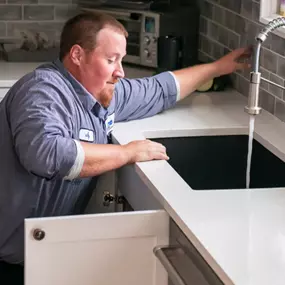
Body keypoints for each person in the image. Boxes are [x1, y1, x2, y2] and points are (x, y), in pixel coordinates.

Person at [0, 12, 251, 284]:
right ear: (77, 55)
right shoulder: (43, 91)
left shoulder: (99, 92)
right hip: (7, 256)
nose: (120, 71)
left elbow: (157, 90)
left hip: (37, 253)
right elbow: (46, 155)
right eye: (111, 60)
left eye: (120, 60)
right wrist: (126, 152)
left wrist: (218, 68)